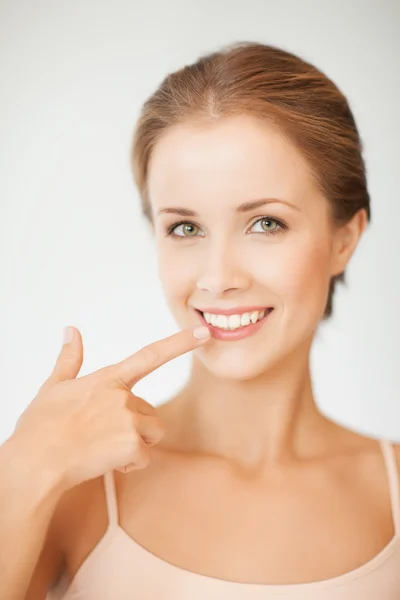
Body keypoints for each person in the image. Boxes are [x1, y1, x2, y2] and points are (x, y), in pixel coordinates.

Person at [1, 41, 399, 599]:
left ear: (344, 239)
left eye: (265, 223)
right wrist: (21, 471)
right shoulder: (74, 485)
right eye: (186, 228)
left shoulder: (394, 494)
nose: (217, 277)